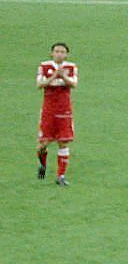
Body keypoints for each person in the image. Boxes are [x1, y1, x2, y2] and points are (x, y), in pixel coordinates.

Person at [37, 42, 78, 185]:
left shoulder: (71, 67)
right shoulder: (44, 66)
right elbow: (39, 85)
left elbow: (73, 84)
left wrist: (63, 77)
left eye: (62, 52)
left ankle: (61, 176)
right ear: (51, 53)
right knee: (43, 144)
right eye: (56, 51)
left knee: (63, 142)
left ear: (66, 54)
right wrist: (55, 75)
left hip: (64, 111)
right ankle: (42, 166)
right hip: (48, 111)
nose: (59, 54)